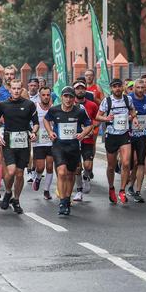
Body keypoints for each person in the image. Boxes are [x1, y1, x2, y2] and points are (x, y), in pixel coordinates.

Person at [43, 86, 93, 215]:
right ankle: (62, 201)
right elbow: (46, 119)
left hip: (73, 147)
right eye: (66, 96)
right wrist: (50, 132)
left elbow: (89, 124)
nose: (68, 99)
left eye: (71, 96)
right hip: (58, 146)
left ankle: (67, 199)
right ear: (62, 97)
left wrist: (83, 134)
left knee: (71, 175)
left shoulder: (79, 111)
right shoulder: (54, 110)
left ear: (74, 98)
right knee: (61, 172)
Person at [0, 79, 39, 214]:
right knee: (11, 171)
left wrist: (34, 132)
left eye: (19, 88)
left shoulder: (29, 104)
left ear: (22, 89)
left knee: (19, 174)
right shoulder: (3, 105)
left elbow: (35, 123)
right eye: (14, 88)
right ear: (10, 90)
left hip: (24, 141)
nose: (16, 91)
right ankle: (8, 192)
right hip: (9, 140)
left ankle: (16, 199)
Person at [95, 78, 139, 204]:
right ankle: (111, 188)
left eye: (119, 86)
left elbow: (132, 110)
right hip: (112, 136)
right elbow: (97, 116)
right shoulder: (107, 101)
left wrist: (134, 118)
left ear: (122, 87)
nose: (117, 88)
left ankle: (122, 190)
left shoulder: (127, 99)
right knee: (111, 166)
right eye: (114, 86)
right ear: (111, 88)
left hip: (124, 134)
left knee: (126, 163)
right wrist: (106, 118)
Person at [127, 79, 146, 203]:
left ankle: (137, 191)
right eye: (138, 87)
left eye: (143, 88)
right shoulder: (128, 99)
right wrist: (132, 117)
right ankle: (129, 183)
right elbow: (121, 115)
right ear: (133, 88)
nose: (141, 90)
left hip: (142, 135)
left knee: (140, 162)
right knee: (129, 163)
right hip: (129, 135)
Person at [73, 80, 99, 201]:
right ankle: (78, 191)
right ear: (74, 91)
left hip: (87, 140)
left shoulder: (92, 105)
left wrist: (92, 129)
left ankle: (86, 178)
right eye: (78, 88)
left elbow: (96, 119)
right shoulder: (70, 104)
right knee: (77, 166)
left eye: (82, 88)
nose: (80, 90)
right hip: (74, 141)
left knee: (88, 166)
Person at [31, 86, 55, 200]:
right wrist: (32, 133)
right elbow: (29, 121)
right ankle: (38, 177)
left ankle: (46, 190)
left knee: (50, 166)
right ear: (39, 96)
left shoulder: (54, 108)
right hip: (39, 141)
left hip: (51, 141)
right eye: (43, 95)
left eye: (48, 95)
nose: (46, 97)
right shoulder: (35, 107)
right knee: (40, 167)